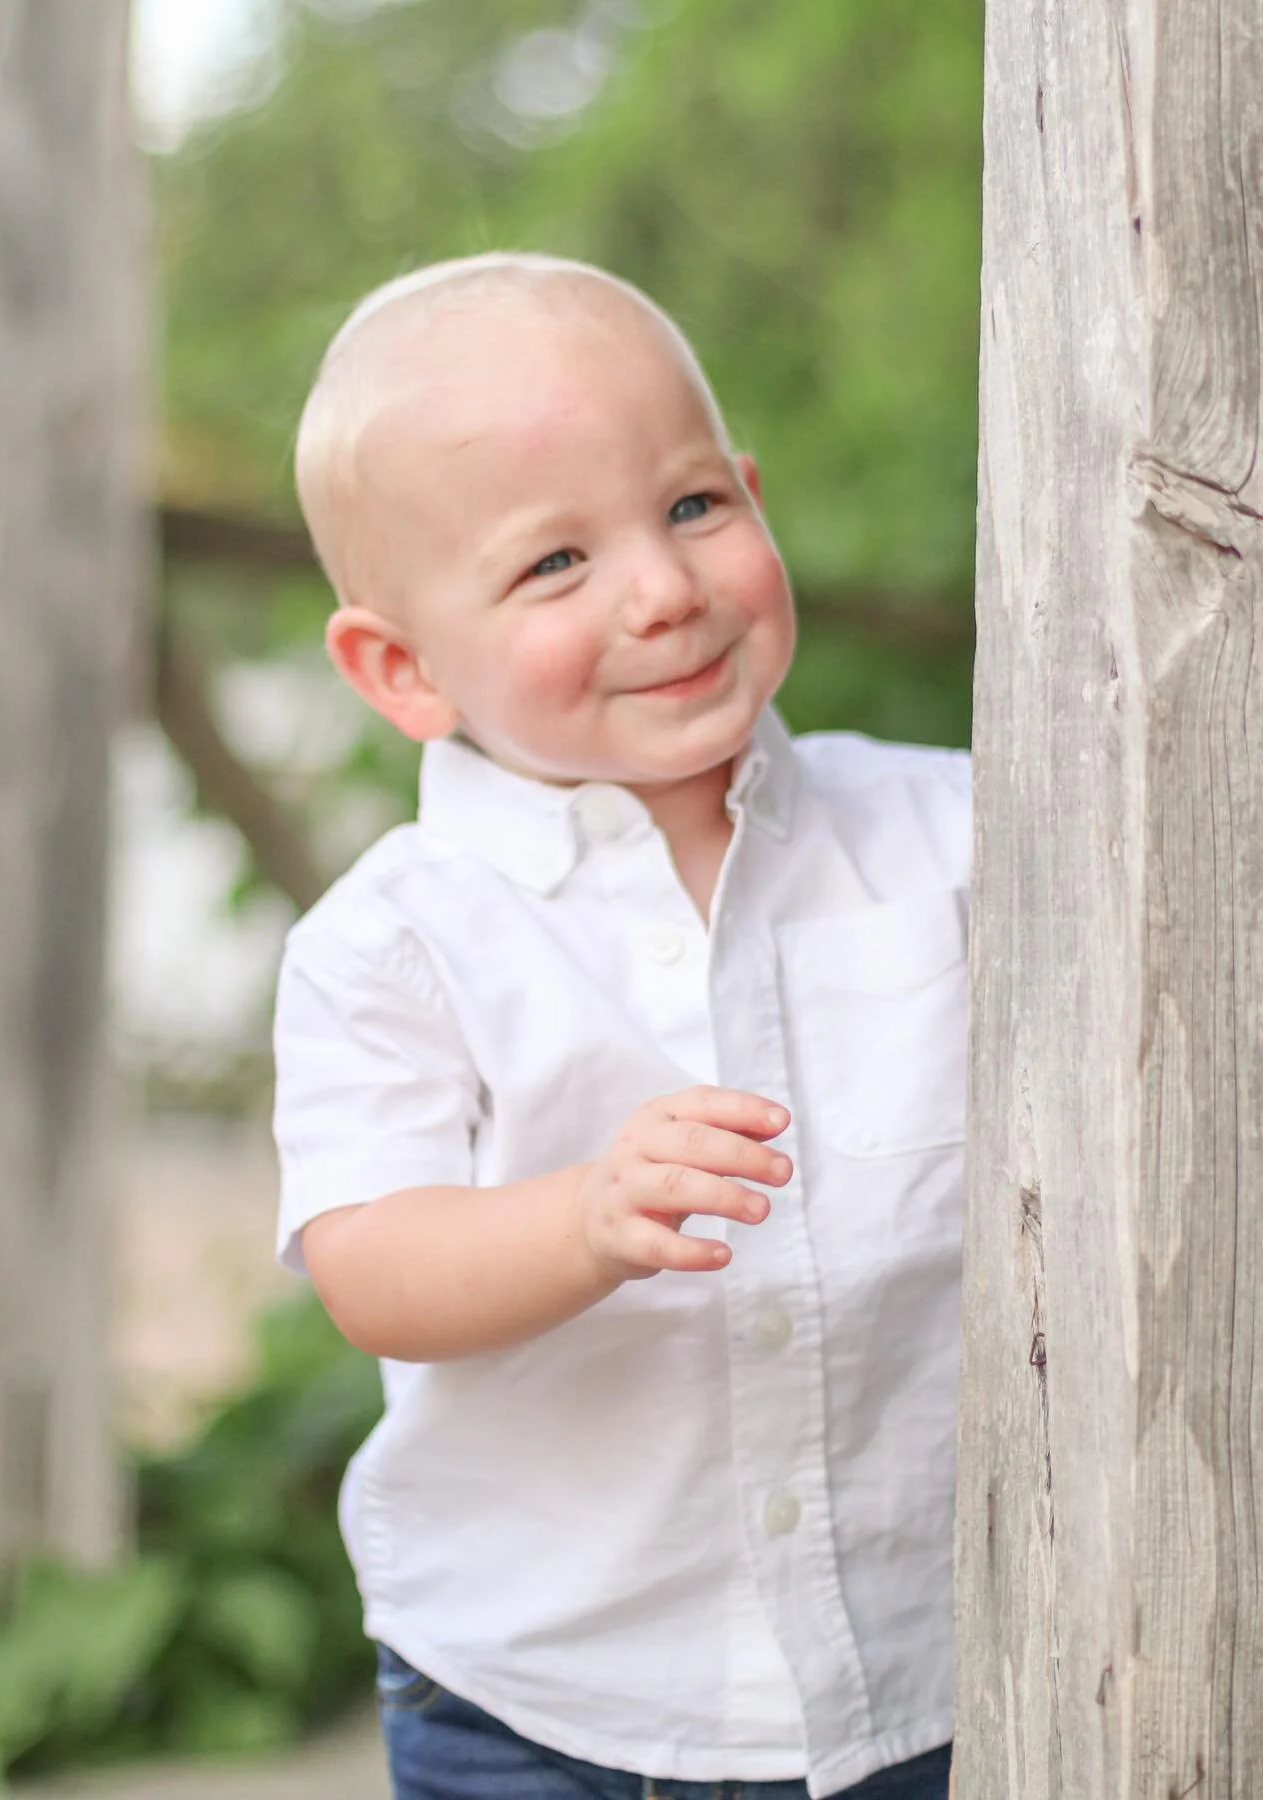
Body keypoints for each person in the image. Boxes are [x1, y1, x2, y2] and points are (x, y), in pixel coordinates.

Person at [272, 251, 969, 1800]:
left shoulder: (952, 838)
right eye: (555, 563)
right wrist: (582, 1216)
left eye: (693, 506)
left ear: (752, 495)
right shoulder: (395, 941)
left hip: (923, 1664)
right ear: (400, 669)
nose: (662, 589)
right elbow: (371, 1261)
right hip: (542, 1699)